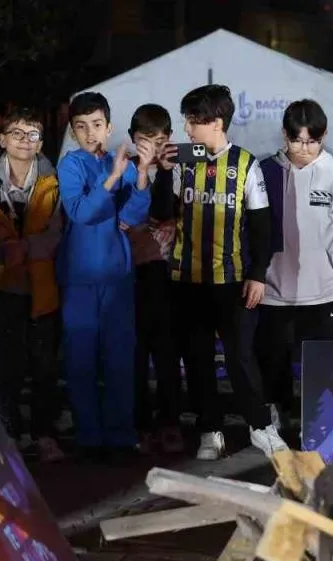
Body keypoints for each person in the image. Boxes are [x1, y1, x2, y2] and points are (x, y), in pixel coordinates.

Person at [163, 84, 287, 460]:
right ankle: (210, 431)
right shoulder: (182, 159)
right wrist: (161, 173)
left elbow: (263, 226)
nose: (187, 129)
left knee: (240, 357)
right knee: (198, 358)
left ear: (216, 122)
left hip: (231, 280)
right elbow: (161, 212)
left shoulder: (246, 164)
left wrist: (258, 274)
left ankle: (261, 427)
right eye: (186, 121)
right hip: (187, 280)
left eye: (193, 121)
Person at [56, 92, 153, 458]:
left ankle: (120, 436)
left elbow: (132, 216)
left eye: (97, 125)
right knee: (81, 361)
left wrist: (140, 175)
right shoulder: (71, 165)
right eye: (81, 126)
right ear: (72, 131)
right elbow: (80, 212)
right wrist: (112, 179)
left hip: (117, 276)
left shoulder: (121, 163)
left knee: (119, 359)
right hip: (80, 277)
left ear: (109, 127)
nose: (90, 133)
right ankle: (88, 437)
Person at [0, 108, 65, 462]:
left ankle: (45, 433)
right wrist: (0, 256)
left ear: (41, 142)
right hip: (4, 282)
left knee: (44, 364)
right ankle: (8, 433)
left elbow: (57, 229)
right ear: (3, 139)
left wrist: (26, 248)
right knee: (6, 364)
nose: (25, 141)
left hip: (43, 283)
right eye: (17, 134)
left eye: (33, 134)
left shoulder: (52, 179)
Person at [257, 99, 333, 430]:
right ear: (285, 135)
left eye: (312, 142)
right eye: (297, 141)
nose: (304, 149)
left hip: (325, 289)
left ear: (323, 137)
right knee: (273, 362)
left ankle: (319, 423)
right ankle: (276, 414)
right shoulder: (264, 171)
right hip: (274, 289)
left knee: (323, 366)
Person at [123, 103, 185, 455]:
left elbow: (164, 212)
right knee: (134, 352)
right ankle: (140, 423)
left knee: (166, 352)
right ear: (134, 139)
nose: (154, 146)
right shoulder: (125, 170)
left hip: (167, 273)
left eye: (160, 140)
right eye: (146, 139)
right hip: (131, 272)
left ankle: (170, 422)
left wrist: (164, 171)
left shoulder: (177, 169)